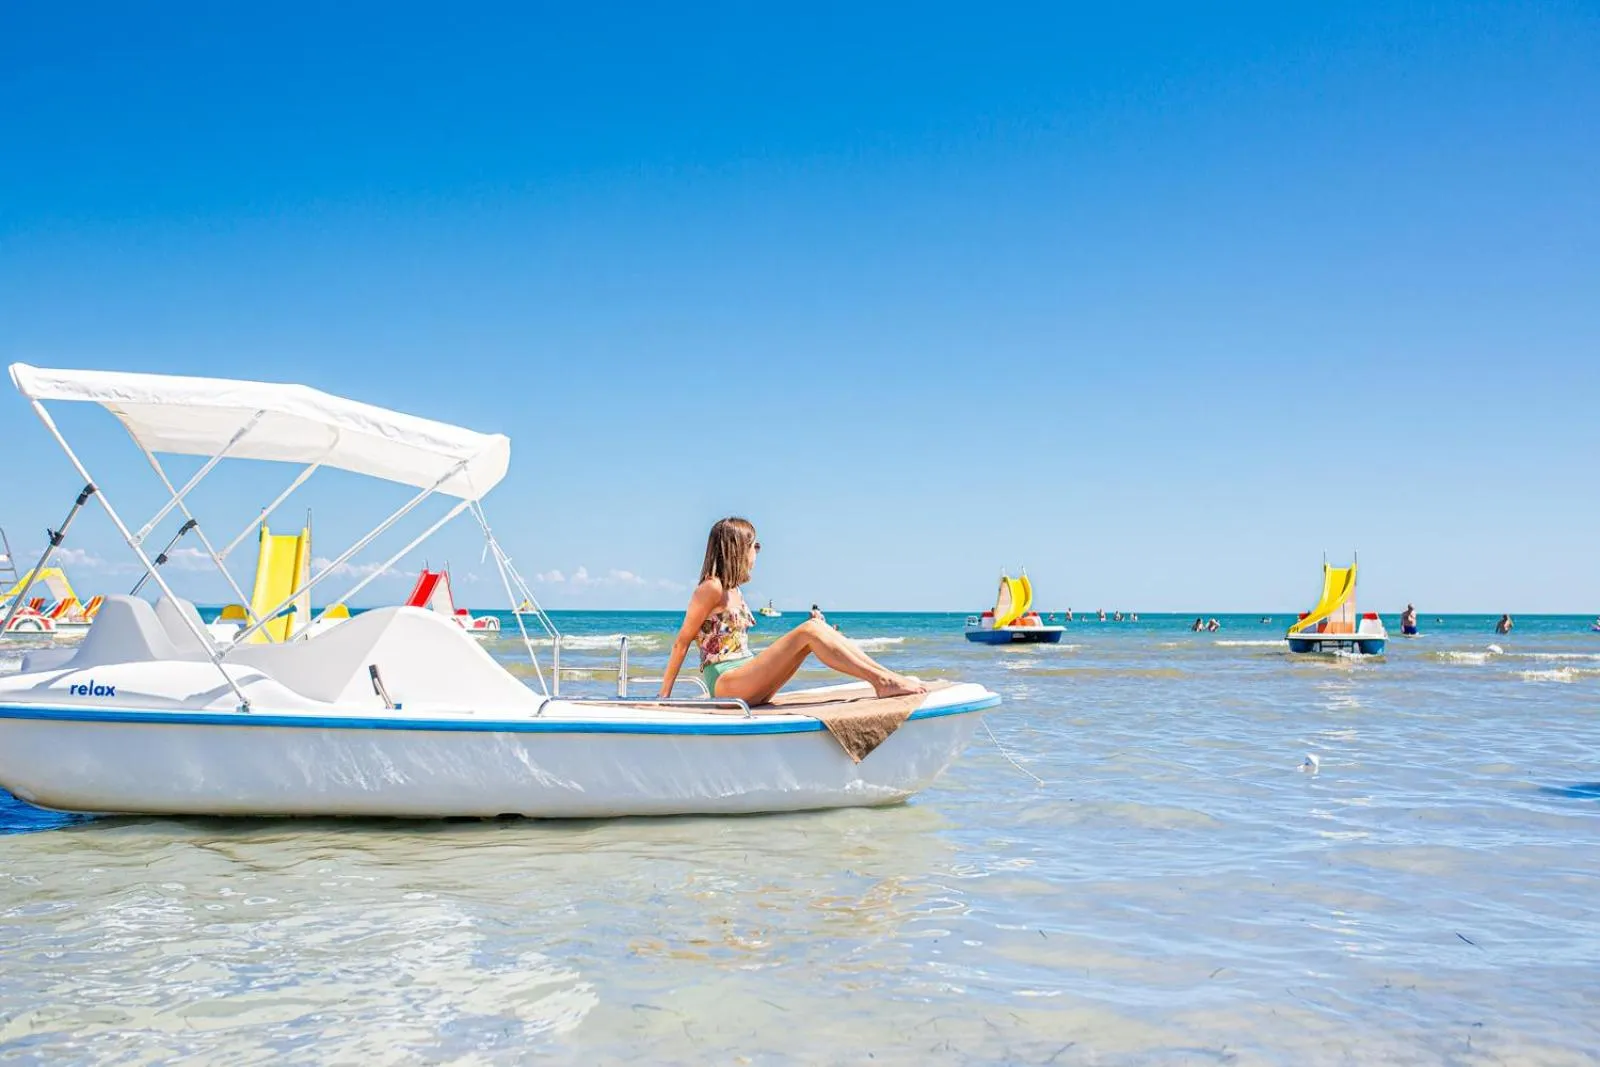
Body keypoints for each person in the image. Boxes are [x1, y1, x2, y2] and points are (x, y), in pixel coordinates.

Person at [659, 517, 924, 704]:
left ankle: (887, 678)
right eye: (755, 546)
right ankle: (883, 682)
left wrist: (820, 633)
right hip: (727, 682)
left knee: (815, 629)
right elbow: (681, 643)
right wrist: (663, 700)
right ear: (737, 549)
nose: (757, 552)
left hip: (746, 676)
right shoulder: (711, 588)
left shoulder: (735, 590)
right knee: (809, 631)